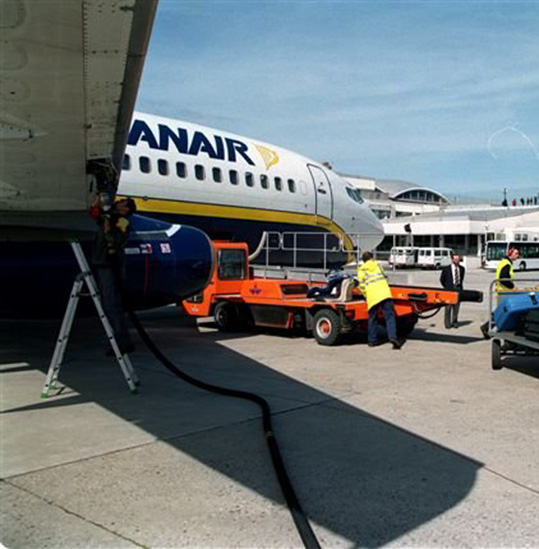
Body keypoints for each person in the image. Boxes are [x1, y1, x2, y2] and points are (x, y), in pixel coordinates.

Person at [89, 195, 137, 354]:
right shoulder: (110, 217)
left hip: (110, 265)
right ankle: (122, 340)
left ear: (126, 209)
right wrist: (97, 200)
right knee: (109, 304)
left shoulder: (122, 221)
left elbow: (114, 239)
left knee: (112, 305)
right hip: (103, 263)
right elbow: (94, 214)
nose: (118, 201)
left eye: (122, 202)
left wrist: (107, 223)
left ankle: (120, 342)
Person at [356, 251, 403, 349]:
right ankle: (393, 337)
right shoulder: (378, 266)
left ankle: (372, 341)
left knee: (373, 318)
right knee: (389, 316)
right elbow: (384, 278)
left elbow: (361, 285)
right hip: (384, 293)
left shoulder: (361, 269)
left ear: (363, 260)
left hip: (372, 296)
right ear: (372, 258)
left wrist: (366, 294)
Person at [480, 247, 520, 338]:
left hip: (502, 291)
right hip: (504, 292)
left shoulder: (504, 262)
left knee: (501, 310)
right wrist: (513, 287)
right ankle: (486, 327)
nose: (518, 255)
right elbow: (503, 279)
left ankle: (487, 327)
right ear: (510, 254)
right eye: (516, 253)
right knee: (502, 311)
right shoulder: (507, 264)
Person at [440, 253, 465, 328]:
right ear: (452, 259)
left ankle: (454, 322)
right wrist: (447, 287)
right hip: (449, 289)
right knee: (448, 307)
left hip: (458, 289)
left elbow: (461, 279)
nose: (457, 260)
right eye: (455, 259)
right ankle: (447, 323)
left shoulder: (462, 269)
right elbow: (442, 279)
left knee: (456, 307)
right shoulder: (446, 269)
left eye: (458, 259)